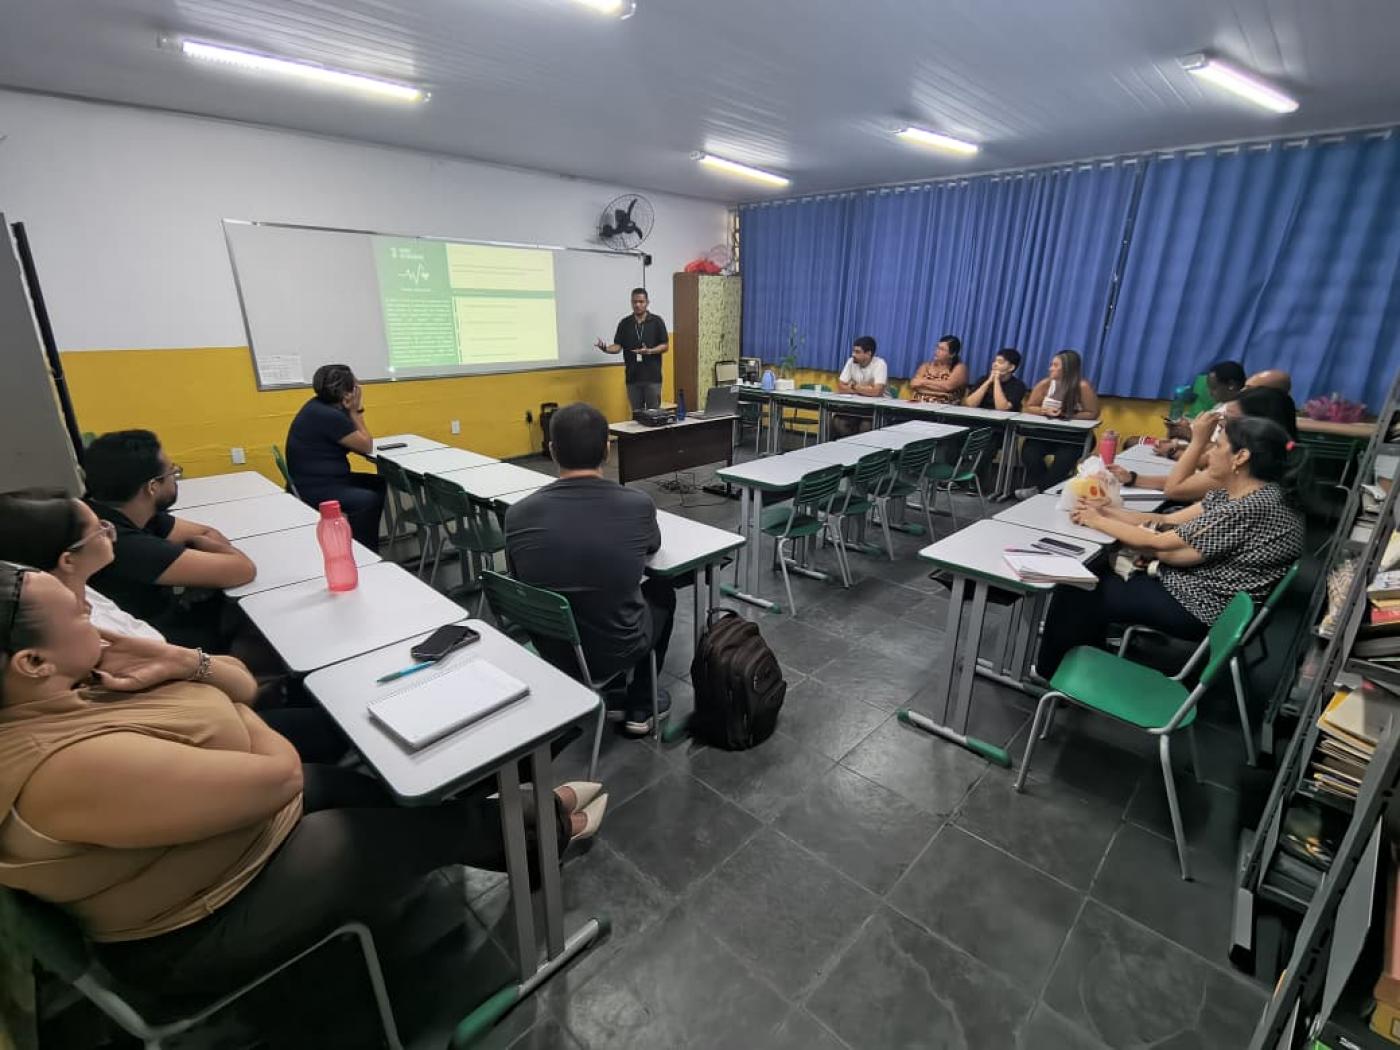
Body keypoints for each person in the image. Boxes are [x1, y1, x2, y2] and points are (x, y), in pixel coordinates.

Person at [0, 564, 606, 1036]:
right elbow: (279, 774)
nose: (92, 611)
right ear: (32, 662)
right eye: (75, 612)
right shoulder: (62, 769)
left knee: (381, 796)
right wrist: (230, 709)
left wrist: (184, 661)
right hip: (198, 925)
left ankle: (528, 830)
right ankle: (548, 828)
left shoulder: (79, 686)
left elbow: (240, 686)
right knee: (406, 832)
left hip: (236, 839)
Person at [1035, 416, 1304, 678]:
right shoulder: (1247, 494)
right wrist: (1106, 511)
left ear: (1241, 457)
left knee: (1080, 587)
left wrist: (1096, 520)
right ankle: (1086, 656)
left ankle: (1052, 671)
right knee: (1096, 571)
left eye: (1218, 446)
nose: (1210, 453)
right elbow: (1166, 521)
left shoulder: (1249, 507)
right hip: (1203, 589)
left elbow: (1158, 541)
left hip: (1200, 607)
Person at [505, 402, 674, 736]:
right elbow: (652, 547)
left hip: (552, 649)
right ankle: (641, 705)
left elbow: (517, 577)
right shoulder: (638, 505)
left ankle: (607, 691)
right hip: (618, 647)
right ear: (607, 450)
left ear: (552, 451)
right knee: (662, 591)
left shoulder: (517, 515)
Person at [83, 430, 255, 647]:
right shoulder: (117, 541)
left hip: (163, 618)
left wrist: (190, 570)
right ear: (152, 487)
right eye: (172, 472)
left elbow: (207, 533)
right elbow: (243, 569)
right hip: (153, 643)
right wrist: (195, 558)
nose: (175, 478)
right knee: (254, 635)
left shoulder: (119, 511)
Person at [0, 491, 162, 641]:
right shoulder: (81, 639)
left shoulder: (81, 588)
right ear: (68, 561)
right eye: (99, 530)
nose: (109, 530)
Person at [1111, 386, 1298, 502]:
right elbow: (1202, 465)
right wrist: (1132, 478)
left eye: (1229, 418)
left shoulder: (1248, 468)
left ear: (1256, 423)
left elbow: (1175, 489)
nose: (1221, 423)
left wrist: (1197, 440)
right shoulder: (1264, 451)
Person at [285, 364, 385, 552]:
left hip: (317, 480)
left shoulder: (317, 406)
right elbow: (365, 445)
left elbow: (355, 443)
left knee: (379, 483)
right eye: (355, 385)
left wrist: (349, 411)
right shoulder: (328, 416)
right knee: (368, 500)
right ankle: (365, 550)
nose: (359, 387)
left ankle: (364, 536)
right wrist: (355, 411)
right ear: (347, 393)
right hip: (316, 487)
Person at [1016, 350, 1100, 496]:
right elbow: (1030, 406)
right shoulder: (1045, 384)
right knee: (1030, 454)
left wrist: (1067, 414)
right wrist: (1044, 411)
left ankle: (1040, 492)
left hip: (1074, 438)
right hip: (1046, 434)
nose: (1050, 368)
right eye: (1051, 365)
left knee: (1063, 460)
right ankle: (1045, 489)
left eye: (1055, 365)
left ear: (1067, 368)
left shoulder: (1082, 387)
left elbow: (1092, 413)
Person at [595, 287, 668, 413]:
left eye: (641, 302)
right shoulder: (625, 323)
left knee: (654, 415)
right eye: (634, 302)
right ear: (631, 302)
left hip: (652, 378)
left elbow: (665, 345)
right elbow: (617, 346)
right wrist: (606, 348)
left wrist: (649, 351)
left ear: (647, 302)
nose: (637, 305)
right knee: (637, 415)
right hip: (632, 378)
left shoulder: (657, 321)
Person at [830, 336, 888, 438]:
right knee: (838, 422)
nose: (853, 354)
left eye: (857, 352)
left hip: (875, 410)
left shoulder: (880, 364)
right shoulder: (851, 362)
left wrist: (853, 386)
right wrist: (866, 389)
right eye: (853, 351)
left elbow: (877, 392)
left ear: (868, 353)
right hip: (855, 407)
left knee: (866, 426)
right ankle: (847, 446)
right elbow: (840, 386)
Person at [909, 335, 968, 405]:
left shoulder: (959, 368)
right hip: (918, 405)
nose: (937, 351)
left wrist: (922, 382)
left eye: (942, 349)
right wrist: (941, 393)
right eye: (937, 347)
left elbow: (947, 387)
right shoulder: (926, 366)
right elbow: (914, 384)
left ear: (952, 354)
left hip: (945, 408)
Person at [963, 348, 1027, 412]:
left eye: (1000, 362)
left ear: (1011, 367)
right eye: (994, 361)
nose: (995, 364)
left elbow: (1002, 409)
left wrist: (996, 380)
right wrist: (988, 382)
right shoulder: (983, 379)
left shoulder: (1018, 385)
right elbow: (970, 404)